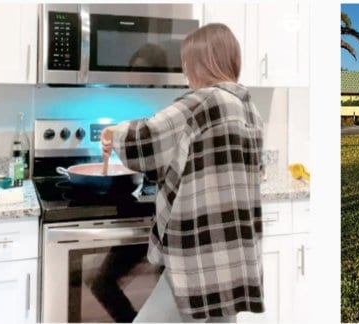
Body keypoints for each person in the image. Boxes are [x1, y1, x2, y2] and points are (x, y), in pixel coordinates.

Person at [101, 23, 265, 322]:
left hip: (200, 253)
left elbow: (147, 141)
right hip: (234, 251)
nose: (185, 70)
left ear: (203, 61)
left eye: (187, 61)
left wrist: (113, 133)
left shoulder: (201, 102)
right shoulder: (248, 108)